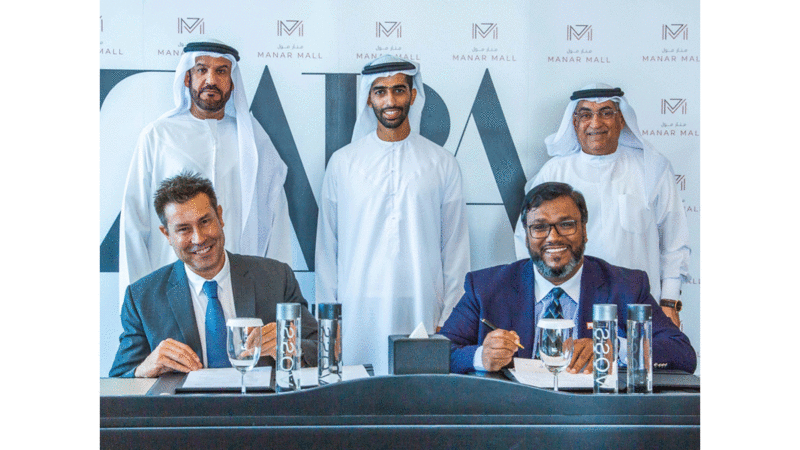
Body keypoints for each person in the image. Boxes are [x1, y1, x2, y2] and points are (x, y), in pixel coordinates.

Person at [315, 55, 470, 375]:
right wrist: (329, 325)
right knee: (359, 395)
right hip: (357, 314)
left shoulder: (442, 163)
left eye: (399, 90)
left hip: (423, 309)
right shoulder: (343, 163)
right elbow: (327, 250)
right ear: (368, 98)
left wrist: (449, 319)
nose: (390, 100)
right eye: (380, 91)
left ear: (413, 95)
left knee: (419, 396)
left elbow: (455, 250)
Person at [441, 182, 696, 375]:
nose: (553, 237)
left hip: (594, 418)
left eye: (566, 225)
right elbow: (439, 353)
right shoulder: (486, 287)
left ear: (584, 230)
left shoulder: (625, 286)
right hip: (514, 418)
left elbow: (682, 353)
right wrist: (481, 356)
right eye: (539, 227)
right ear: (526, 236)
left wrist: (613, 347)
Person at [119, 39, 291, 305]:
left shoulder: (255, 141)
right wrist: (140, 306)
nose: (211, 80)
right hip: (173, 290)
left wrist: (278, 295)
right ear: (187, 77)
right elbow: (134, 222)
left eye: (221, 71)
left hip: (241, 287)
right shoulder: (158, 136)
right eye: (202, 70)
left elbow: (276, 223)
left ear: (232, 83)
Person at [513, 83, 690, 327]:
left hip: (636, 305)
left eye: (606, 113)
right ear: (575, 122)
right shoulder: (554, 172)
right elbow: (527, 240)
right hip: (570, 306)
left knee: (637, 353)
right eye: (586, 115)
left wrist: (669, 302)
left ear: (621, 120)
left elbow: (674, 241)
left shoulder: (652, 169)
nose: (595, 123)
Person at [110, 172, 317, 378]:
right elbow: (118, 380)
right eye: (184, 229)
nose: (199, 238)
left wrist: (291, 347)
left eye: (205, 221)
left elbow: (321, 349)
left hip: (261, 399)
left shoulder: (276, 278)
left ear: (219, 216)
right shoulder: (142, 298)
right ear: (167, 234)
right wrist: (143, 369)